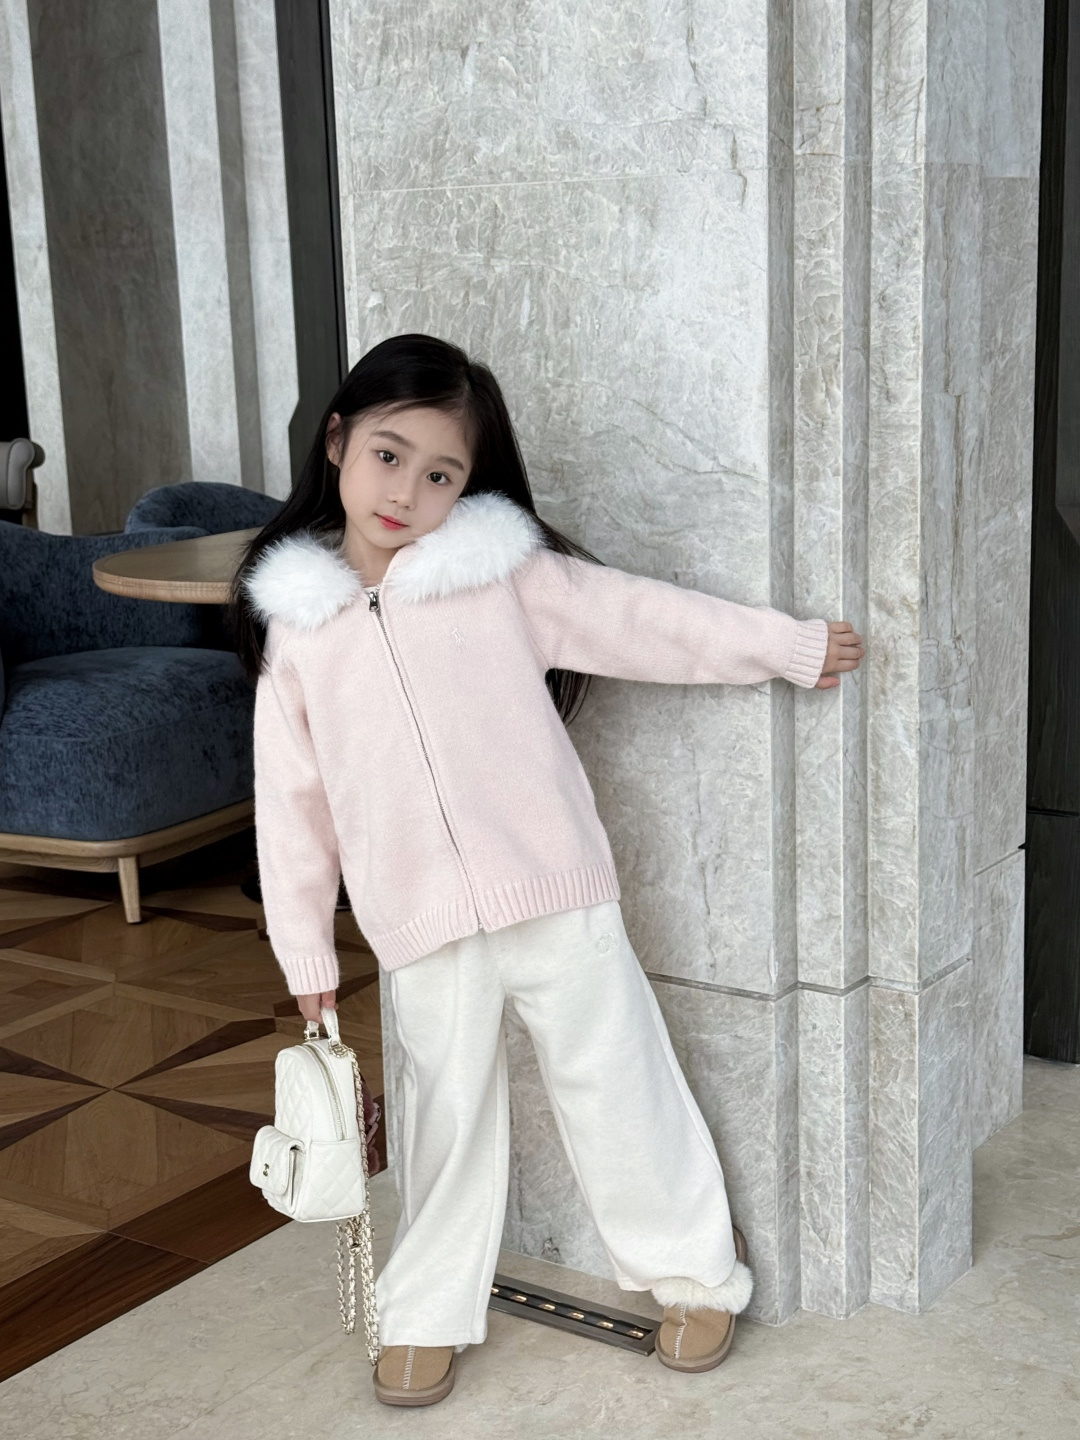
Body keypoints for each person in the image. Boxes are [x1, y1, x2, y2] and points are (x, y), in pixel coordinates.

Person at [232, 333, 864, 1408]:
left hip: (555, 891)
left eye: (442, 474)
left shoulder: (501, 575)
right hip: (418, 922)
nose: (408, 493)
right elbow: (290, 809)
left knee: (619, 1083)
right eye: (388, 456)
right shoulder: (301, 630)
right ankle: (423, 1311)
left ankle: (695, 1276)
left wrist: (784, 646)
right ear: (336, 442)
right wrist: (305, 952)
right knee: (441, 1122)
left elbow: (644, 619)